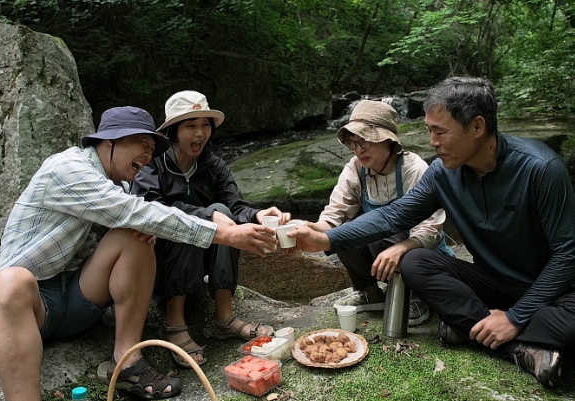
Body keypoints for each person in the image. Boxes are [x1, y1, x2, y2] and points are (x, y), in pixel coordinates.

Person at [0, 106, 278, 401]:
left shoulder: (125, 183)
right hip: (27, 305)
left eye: (152, 150)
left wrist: (238, 219)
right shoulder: (68, 169)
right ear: (109, 141)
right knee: (12, 281)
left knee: (135, 236)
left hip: (78, 302)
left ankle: (126, 363)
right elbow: (136, 210)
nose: (148, 156)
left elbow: (145, 214)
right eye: (141, 145)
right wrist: (227, 233)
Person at [288, 76, 575, 387]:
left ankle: (469, 327)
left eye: (440, 132)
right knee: (415, 262)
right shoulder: (442, 174)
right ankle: (513, 344)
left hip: (553, 290)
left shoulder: (541, 169)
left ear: (477, 127)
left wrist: (515, 318)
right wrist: (326, 238)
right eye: (429, 131)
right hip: (493, 283)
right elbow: (395, 215)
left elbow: (568, 254)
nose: (432, 142)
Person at [131, 90, 290, 368]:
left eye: (205, 125)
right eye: (190, 125)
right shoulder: (152, 165)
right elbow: (152, 211)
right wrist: (207, 215)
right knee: (184, 222)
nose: (199, 133)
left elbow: (235, 206)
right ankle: (173, 324)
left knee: (224, 211)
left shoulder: (213, 165)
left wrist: (258, 214)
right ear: (172, 131)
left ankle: (224, 318)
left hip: (200, 260)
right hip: (157, 262)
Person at [309, 100, 453, 327]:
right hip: (383, 248)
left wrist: (401, 248)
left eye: (364, 142)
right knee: (343, 233)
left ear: (388, 140)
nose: (358, 150)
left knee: (383, 236)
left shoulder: (414, 169)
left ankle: (417, 297)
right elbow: (333, 215)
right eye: (353, 143)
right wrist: (308, 231)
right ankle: (370, 293)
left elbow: (430, 230)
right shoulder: (356, 169)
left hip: (423, 254)